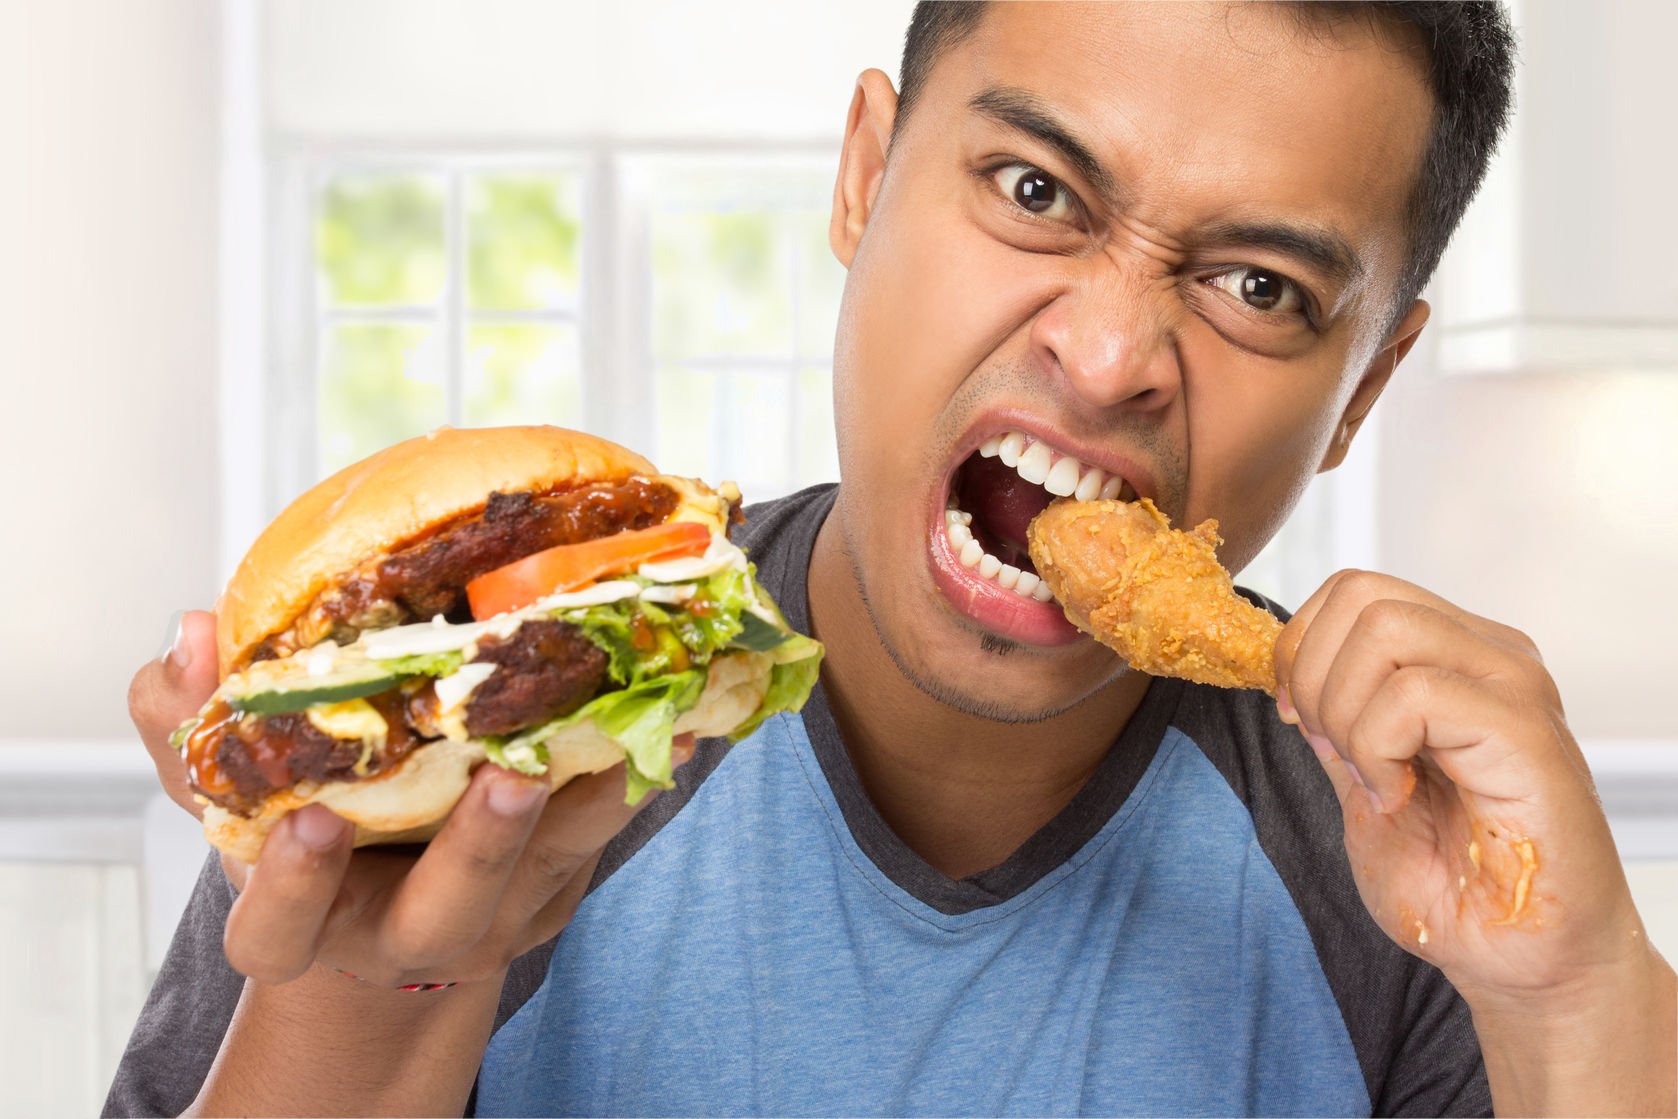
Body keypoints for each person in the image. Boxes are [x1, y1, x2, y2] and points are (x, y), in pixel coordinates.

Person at [110, 2, 1676, 1115]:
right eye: (1035, 192)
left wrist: (1582, 1005)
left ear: (1365, 391)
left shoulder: (1407, 862)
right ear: (864, 173)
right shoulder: (477, 722)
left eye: (1260, 289)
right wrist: (368, 1007)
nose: (1112, 349)